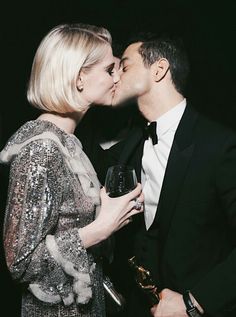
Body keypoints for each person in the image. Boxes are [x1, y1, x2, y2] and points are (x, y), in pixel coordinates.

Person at [83, 34, 236, 317]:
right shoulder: (128, 145)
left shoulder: (221, 145)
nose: (115, 76)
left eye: (124, 67)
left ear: (159, 69)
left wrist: (194, 302)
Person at [0, 23, 144, 317]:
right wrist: (99, 229)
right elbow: (20, 263)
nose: (117, 77)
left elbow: (67, 222)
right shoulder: (41, 149)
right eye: (109, 69)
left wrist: (107, 207)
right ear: (79, 78)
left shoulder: (68, 143)